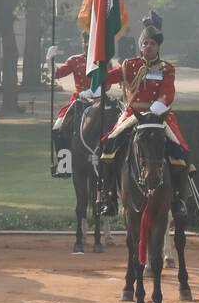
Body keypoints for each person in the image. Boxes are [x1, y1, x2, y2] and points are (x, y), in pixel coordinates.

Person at [97, 15, 190, 221]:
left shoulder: (167, 68)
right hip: (134, 114)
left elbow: (168, 93)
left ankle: (178, 199)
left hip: (159, 114)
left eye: (152, 44)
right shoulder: (129, 65)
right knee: (109, 146)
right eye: (145, 43)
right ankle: (109, 196)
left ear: (158, 47)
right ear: (140, 46)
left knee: (180, 150)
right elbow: (105, 80)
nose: (148, 46)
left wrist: (157, 108)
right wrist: (99, 65)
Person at [46, 31, 93, 178]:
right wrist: (49, 60)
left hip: (99, 99)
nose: (86, 44)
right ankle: (64, 164)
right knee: (58, 127)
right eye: (85, 41)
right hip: (78, 99)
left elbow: (108, 83)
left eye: (90, 41)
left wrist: (93, 92)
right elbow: (57, 74)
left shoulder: (103, 61)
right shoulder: (75, 60)